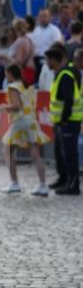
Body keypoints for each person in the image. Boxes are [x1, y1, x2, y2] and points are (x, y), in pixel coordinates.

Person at [0, 63, 49, 196]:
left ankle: (14, 183)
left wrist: (4, 108)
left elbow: (16, 106)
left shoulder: (13, 87)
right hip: (31, 121)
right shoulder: (28, 86)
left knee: (7, 150)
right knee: (35, 153)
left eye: (6, 73)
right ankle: (43, 185)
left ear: (10, 74)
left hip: (19, 121)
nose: (5, 75)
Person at [46, 45, 82, 196]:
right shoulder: (61, 73)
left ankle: (73, 184)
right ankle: (65, 179)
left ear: (55, 60)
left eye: (48, 60)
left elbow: (69, 100)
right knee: (62, 153)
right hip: (63, 121)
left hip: (69, 120)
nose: (46, 62)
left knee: (70, 153)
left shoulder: (66, 75)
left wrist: (64, 119)